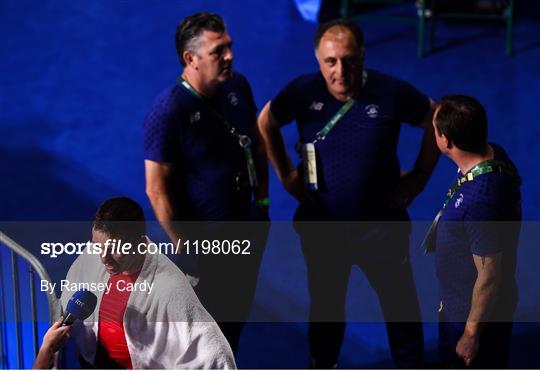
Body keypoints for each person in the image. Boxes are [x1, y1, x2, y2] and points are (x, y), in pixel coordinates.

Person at [257, 19, 439, 368]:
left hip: (381, 228)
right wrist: (285, 175)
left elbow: (434, 116)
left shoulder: (390, 92)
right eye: (330, 62)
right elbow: (266, 121)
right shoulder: (302, 91)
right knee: (325, 306)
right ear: (318, 60)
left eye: (350, 60)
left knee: (399, 305)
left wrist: (418, 178)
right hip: (323, 227)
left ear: (363, 56)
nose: (340, 71)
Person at [144, 12, 269, 354]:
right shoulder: (168, 110)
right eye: (218, 51)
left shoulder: (238, 86)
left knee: (235, 321)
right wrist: (186, 248)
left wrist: (263, 204)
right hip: (204, 248)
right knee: (198, 337)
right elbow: (156, 190)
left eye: (229, 47)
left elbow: (256, 144)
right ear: (191, 59)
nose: (229, 55)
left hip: (246, 232)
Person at [60, 197, 236, 369]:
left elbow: (216, 354)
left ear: (140, 242)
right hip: (93, 363)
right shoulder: (95, 255)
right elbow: (67, 302)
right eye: (97, 246)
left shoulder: (170, 288)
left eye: (114, 249)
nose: (103, 258)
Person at [429, 95, 521, 368]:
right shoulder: (493, 153)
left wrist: (470, 334)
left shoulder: (480, 200)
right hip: (459, 303)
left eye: (435, 129)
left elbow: (490, 275)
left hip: (472, 318)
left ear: (445, 140)